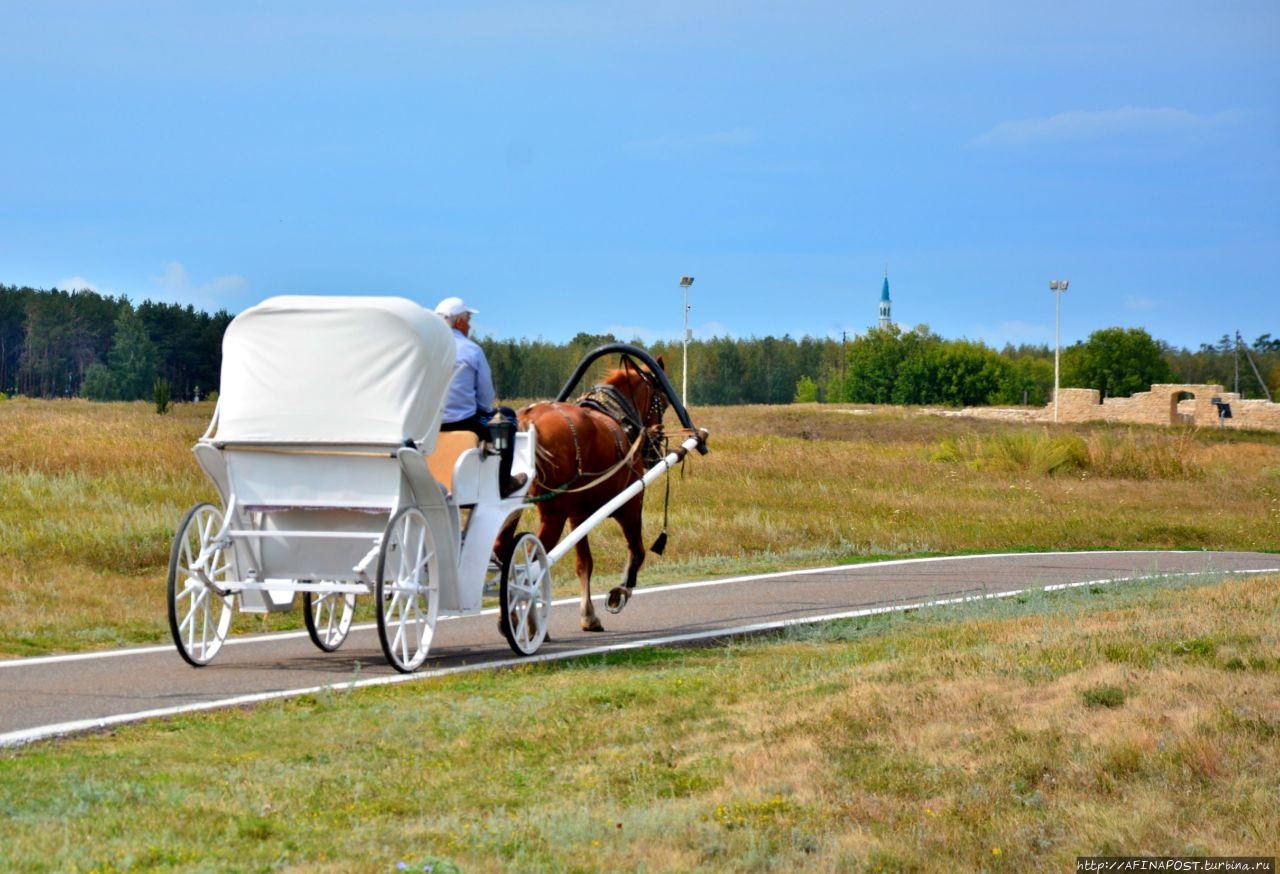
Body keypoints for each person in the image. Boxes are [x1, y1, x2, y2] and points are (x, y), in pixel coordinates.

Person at [434, 296, 526, 497]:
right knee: (507, 417)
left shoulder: (426, 348)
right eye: (468, 321)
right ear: (458, 322)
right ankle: (503, 482)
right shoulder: (472, 350)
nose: (469, 326)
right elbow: (485, 399)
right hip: (462, 422)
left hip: (428, 426)